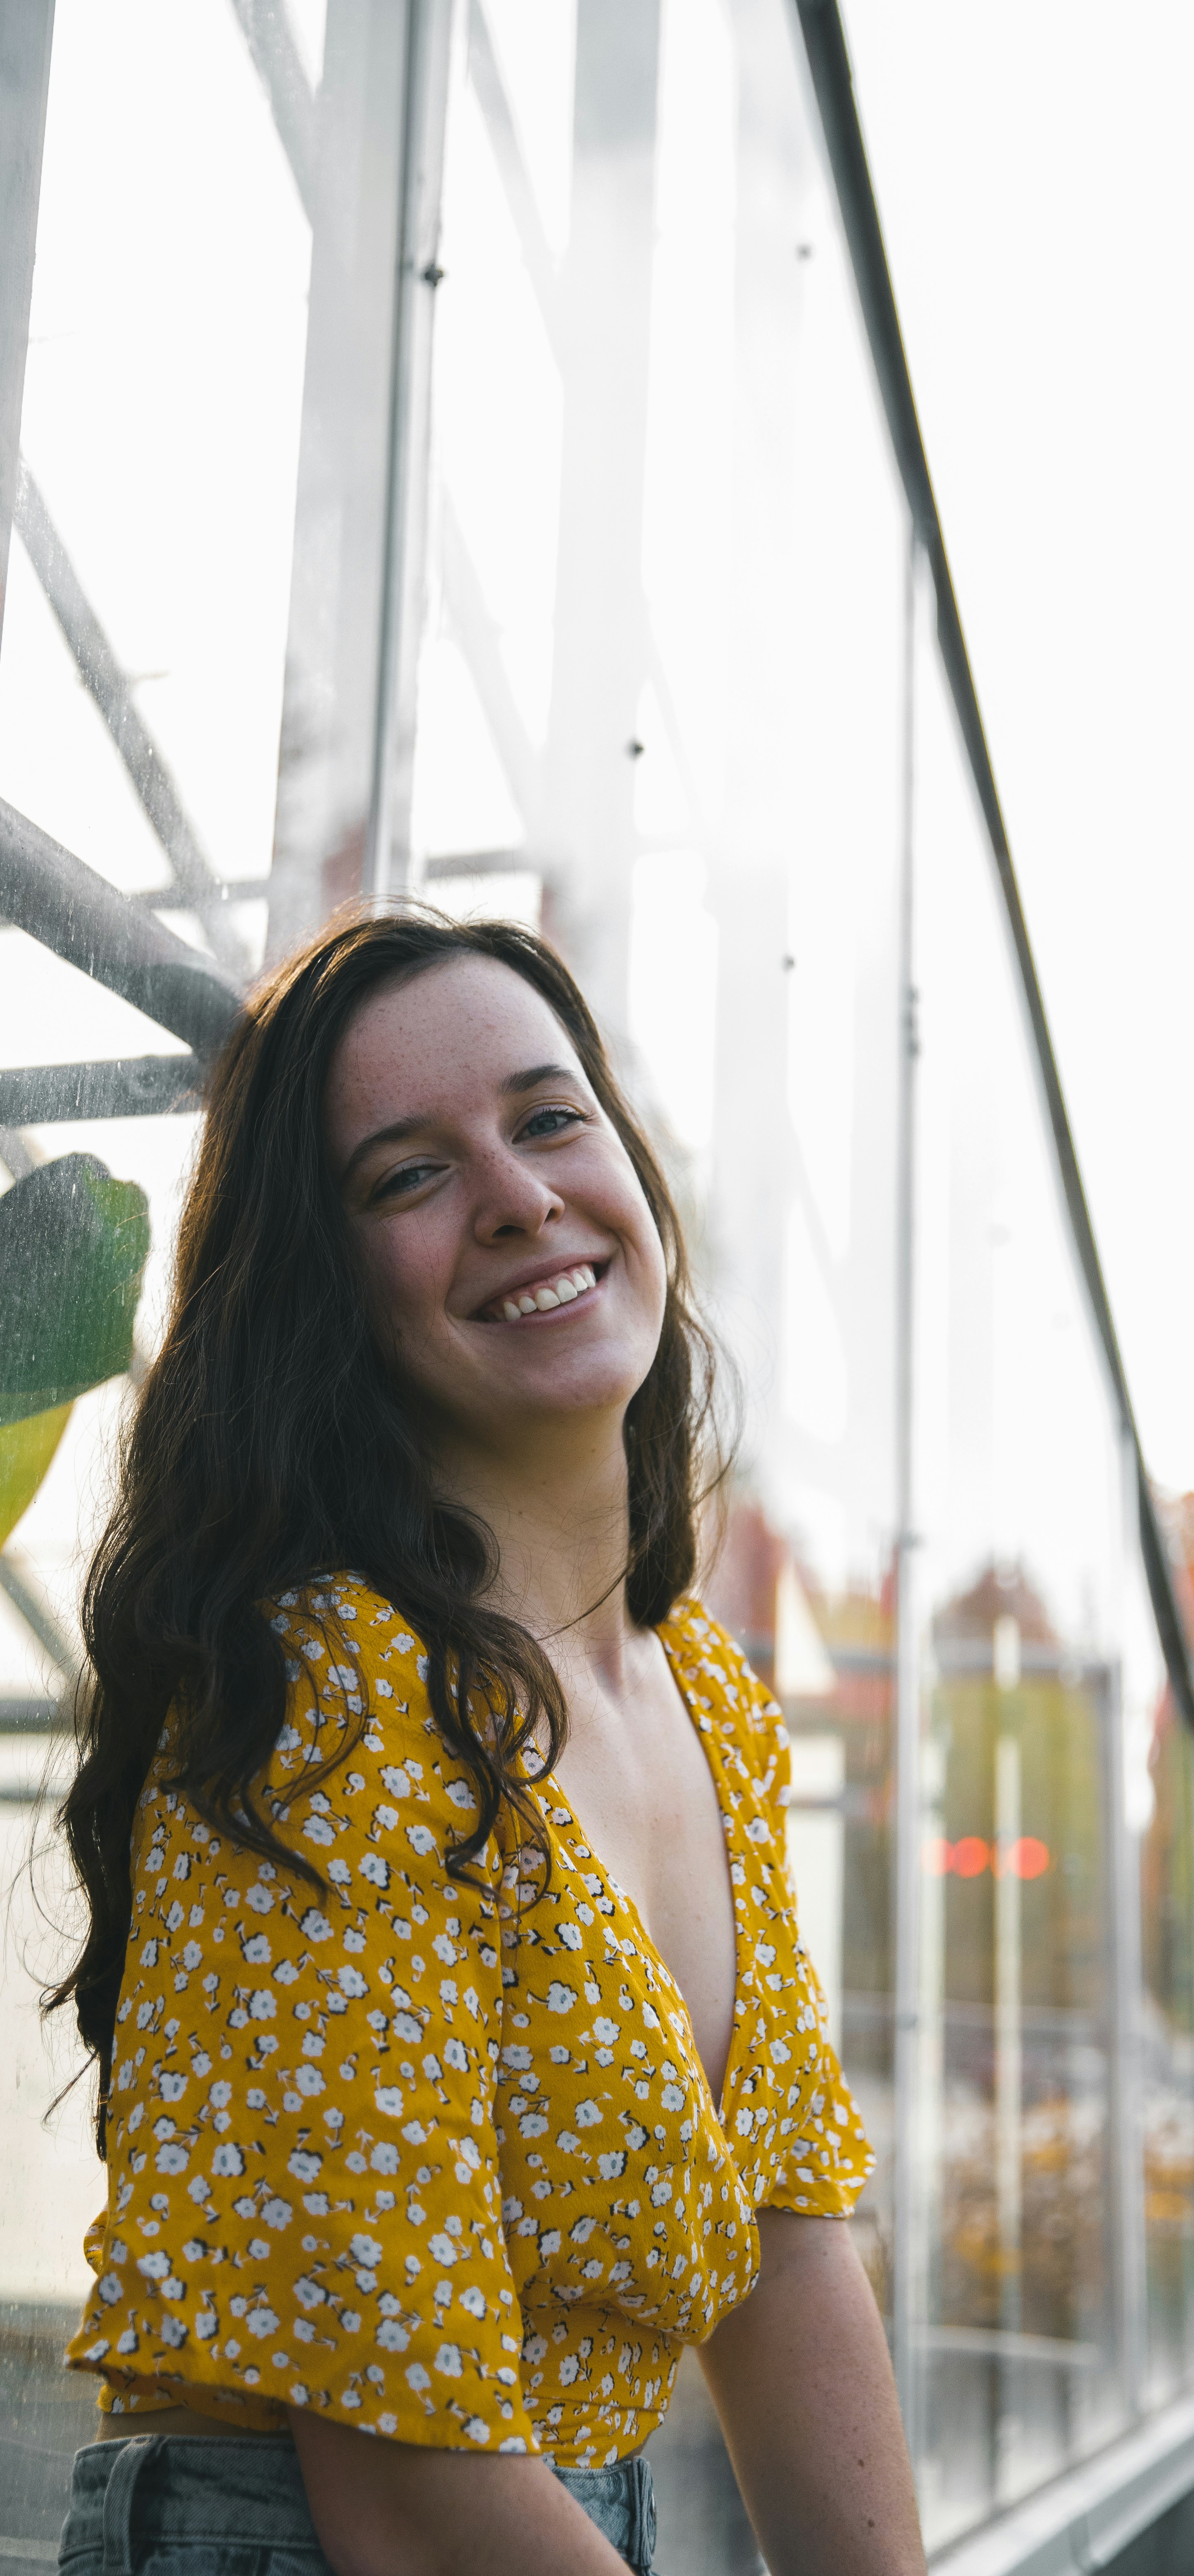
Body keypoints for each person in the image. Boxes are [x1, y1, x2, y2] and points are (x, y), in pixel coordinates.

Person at [51, 908, 925, 2576]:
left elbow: (788, 2248)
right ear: (325, 1297)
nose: (517, 1196)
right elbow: (414, 2496)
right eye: (405, 1176)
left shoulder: (709, 1704)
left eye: (546, 1117)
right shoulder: (328, 1694)